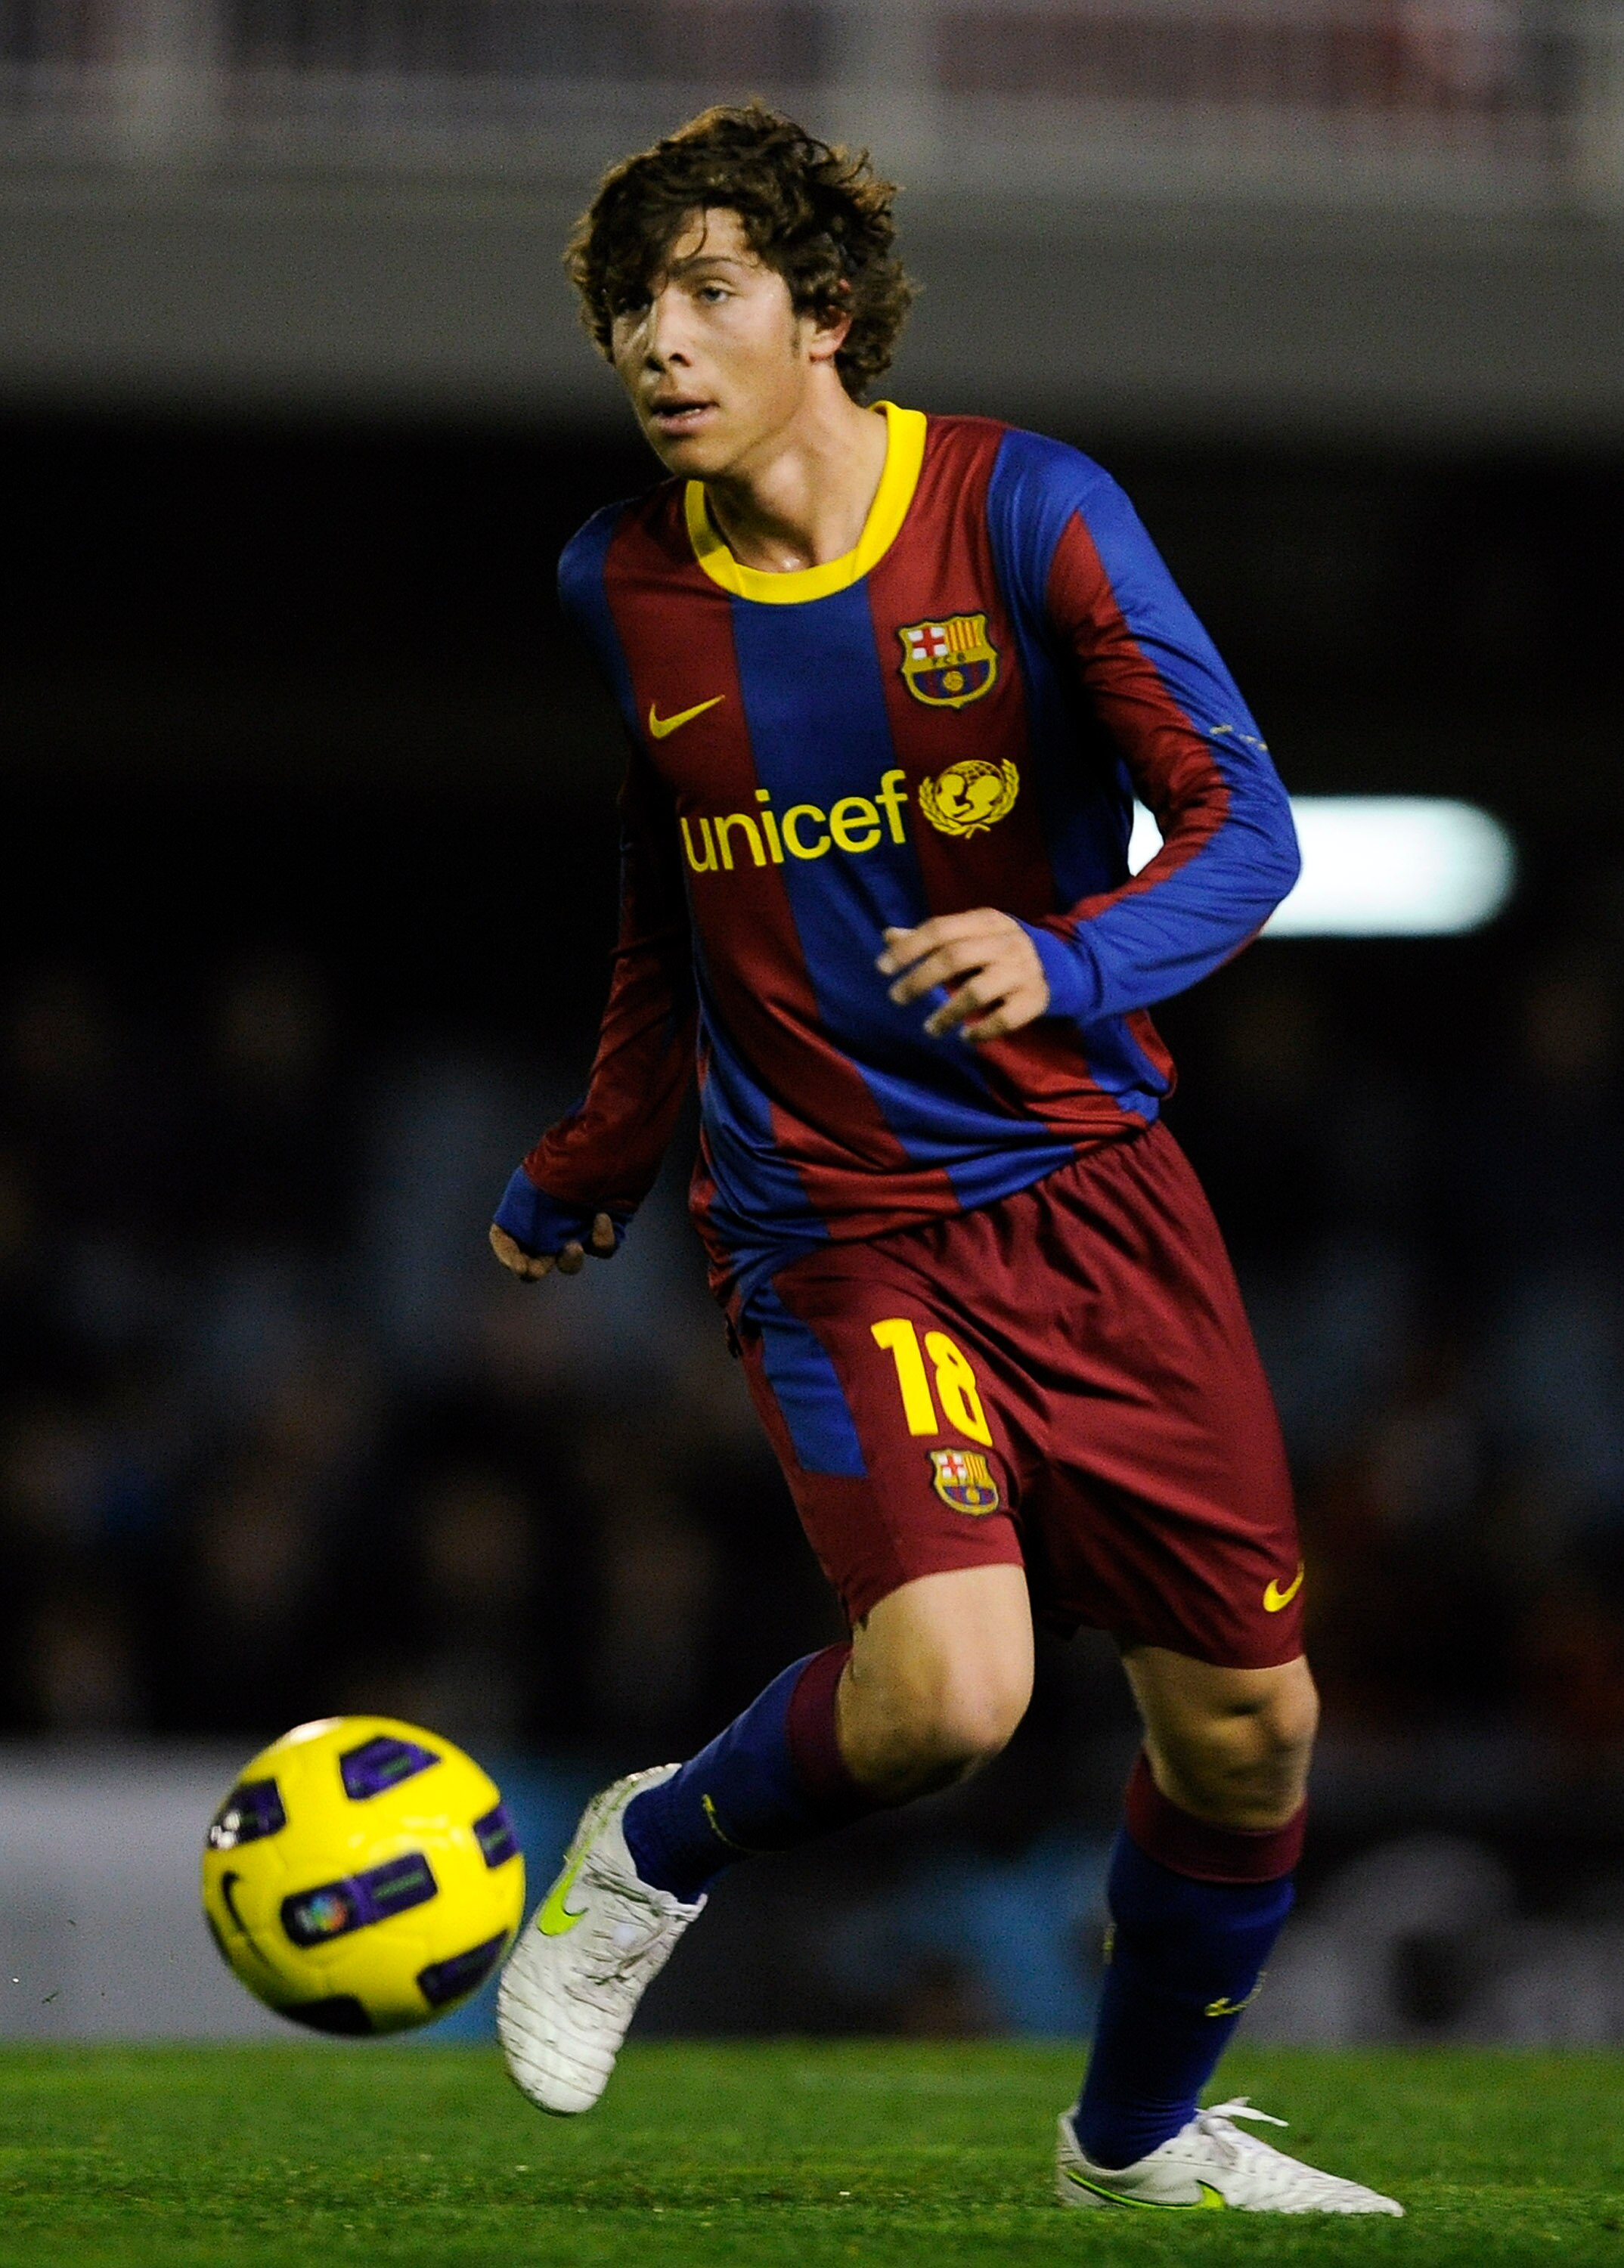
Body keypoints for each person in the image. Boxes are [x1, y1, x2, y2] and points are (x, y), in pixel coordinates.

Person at [488, 103, 1400, 2217]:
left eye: (707, 289)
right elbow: (669, 897)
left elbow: (1244, 830)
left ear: (823, 314)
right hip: (827, 1224)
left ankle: (1129, 2143)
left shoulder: (1025, 513)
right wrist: (599, 1148)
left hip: (1094, 1199)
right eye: (632, 303)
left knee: (1250, 1734)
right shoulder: (619, 580)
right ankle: (646, 1853)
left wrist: (1062, 954)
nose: (658, 339)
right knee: (946, 1698)